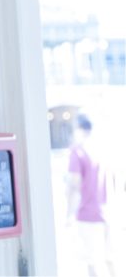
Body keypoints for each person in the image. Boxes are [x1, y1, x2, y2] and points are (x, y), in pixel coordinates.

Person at [67, 114, 113, 277]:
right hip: (106, 212)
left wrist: (69, 214)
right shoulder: (101, 149)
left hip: (87, 213)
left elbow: (74, 185)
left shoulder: (78, 152)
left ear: (79, 129)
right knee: (109, 259)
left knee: (91, 262)